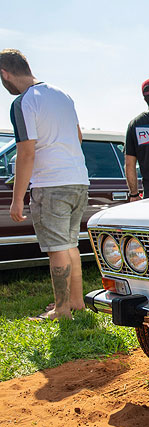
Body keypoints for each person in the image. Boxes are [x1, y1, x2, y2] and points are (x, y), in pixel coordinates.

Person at [0, 48, 89, 320]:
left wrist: (17, 199)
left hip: (51, 185)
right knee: (70, 245)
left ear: (5, 74)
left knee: (56, 249)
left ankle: (61, 310)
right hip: (79, 181)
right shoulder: (63, 95)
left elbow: (26, 152)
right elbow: (78, 136)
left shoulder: (24, 102)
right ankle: (76, 303)